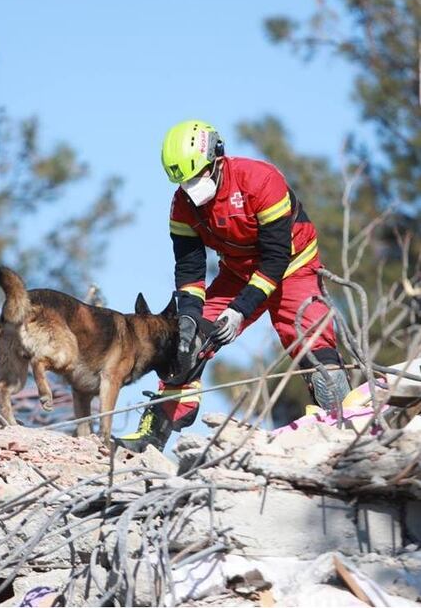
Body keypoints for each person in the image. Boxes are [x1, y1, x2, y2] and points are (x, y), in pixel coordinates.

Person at [116, 120, 352, 453]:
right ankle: (156, 430)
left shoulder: (261, 181)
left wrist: (240, 311)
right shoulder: (182, 205)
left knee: (313, 343)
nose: (192, 187)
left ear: (217, 159)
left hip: (294, 267)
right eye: (184, 181)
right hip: (237, 273)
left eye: (197, 176)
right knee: (185, 343)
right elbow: (189, 267)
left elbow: (275, 258)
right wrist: (189, 318)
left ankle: (344, 429)